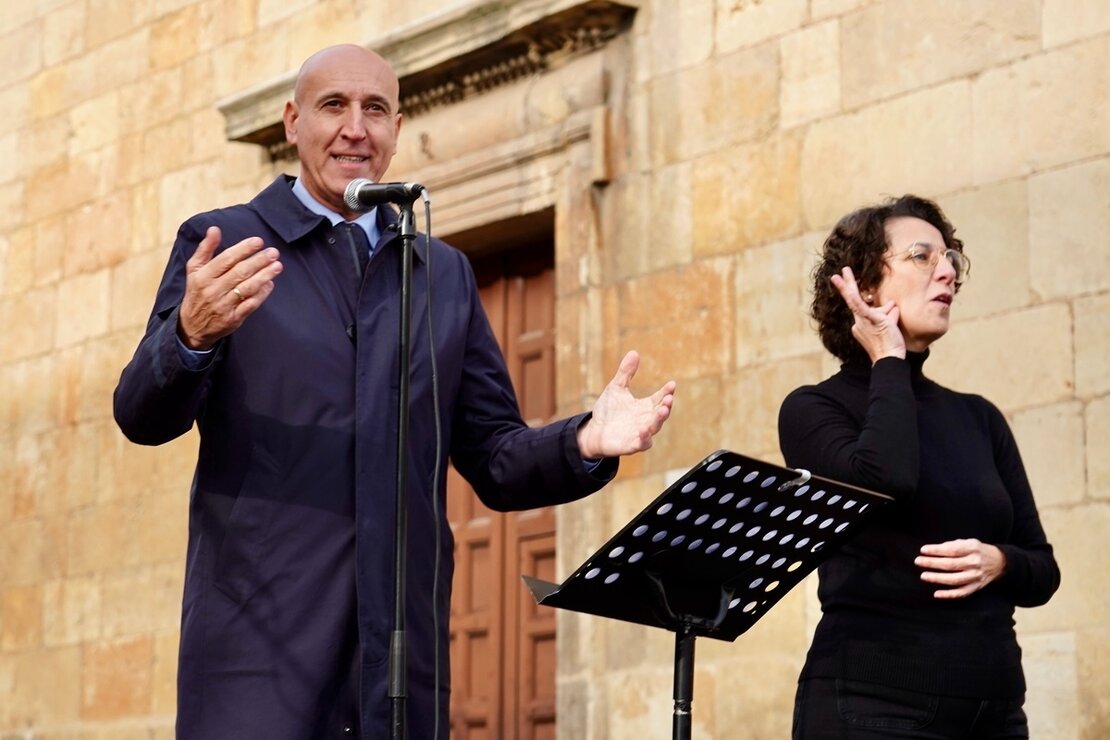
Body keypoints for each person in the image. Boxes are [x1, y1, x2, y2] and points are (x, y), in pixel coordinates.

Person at [114, 44, 676, 739]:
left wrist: (585, 439)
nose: (356, 128)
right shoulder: (226, 242)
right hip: (256, 658)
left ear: (398, 128)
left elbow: (495, 457)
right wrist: (190, 338)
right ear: (292, 123)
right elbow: (141, 414)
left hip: (397, 662)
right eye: (333, 107)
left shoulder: (441, 273)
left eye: (375, 109)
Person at [777, 195, 1060, 739]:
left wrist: (999, 562)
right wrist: (888, 358)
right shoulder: (814, 409)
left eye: (950, 257)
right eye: (922, 256)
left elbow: (1043, 570)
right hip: (874, 705)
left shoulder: (978, 417)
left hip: (993, 709)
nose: (948, 270)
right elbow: (884, 480)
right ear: (861, 287)